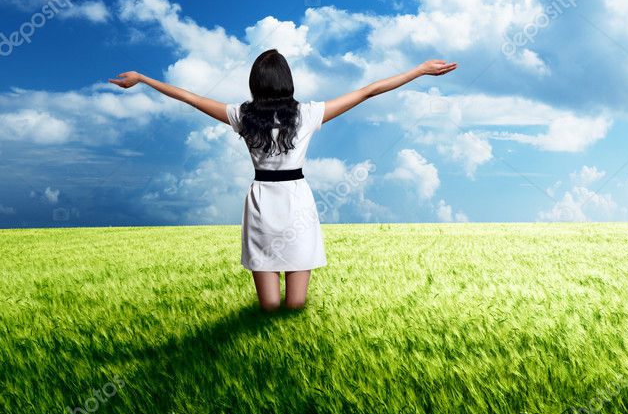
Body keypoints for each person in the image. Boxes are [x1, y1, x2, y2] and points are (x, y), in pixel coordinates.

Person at [109, 50, 457, 311]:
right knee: (293, 308)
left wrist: (143, 78)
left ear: (255, 84)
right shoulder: (306, 114)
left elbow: (189, 97)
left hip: (261, 202)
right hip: (296, 201)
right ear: (287, 81)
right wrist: (420, 71)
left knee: (271, 308)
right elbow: (368, 91)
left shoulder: (242, 115)